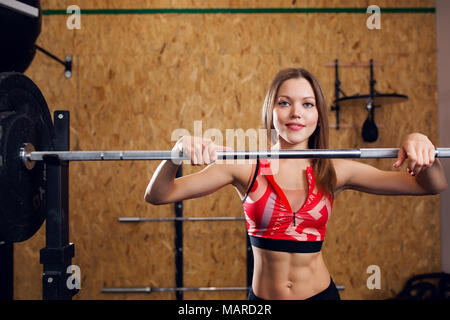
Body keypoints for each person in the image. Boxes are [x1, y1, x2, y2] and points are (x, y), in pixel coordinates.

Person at [144, 68, 448, 300]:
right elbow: (158, 195)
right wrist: (176, 154)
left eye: (307, 104)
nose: (296, 113)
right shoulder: (242, 166)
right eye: (285, 102)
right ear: (271, 111)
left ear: (318, 114)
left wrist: (420, 144)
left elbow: (430, 185)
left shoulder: (336, 171)